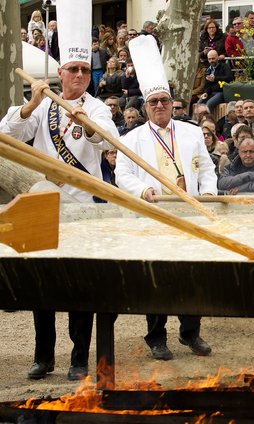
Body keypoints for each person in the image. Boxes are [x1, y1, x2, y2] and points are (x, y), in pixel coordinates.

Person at [0, 0, 118, 381]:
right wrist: (27, 106)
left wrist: (86, 127)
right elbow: (6, 136)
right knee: (43, 284)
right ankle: (43, 357)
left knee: (81, 285)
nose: (80, 75)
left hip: (84, 208)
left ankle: (79, 358)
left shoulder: (98, 108)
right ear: (61, 73)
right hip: (43, 203)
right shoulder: (41, 104)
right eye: (73, 69)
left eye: (85, 69)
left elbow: (109, 142)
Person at [117, 35, 216, 361]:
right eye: (153, 102)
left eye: (164, 100)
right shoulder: (132, 139)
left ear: (173, 102)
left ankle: (191, 334)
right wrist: (144, 191)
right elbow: (122, 176)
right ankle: (156, 338)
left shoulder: (190, 132)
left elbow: (206, 169)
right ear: (145, 107)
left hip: (190, 215)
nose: (159, 106)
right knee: (157, 280)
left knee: (193, 278)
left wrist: (209, 194)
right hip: (155, 217)